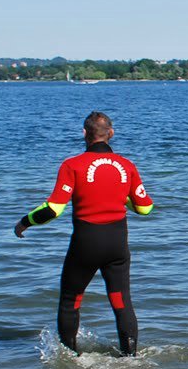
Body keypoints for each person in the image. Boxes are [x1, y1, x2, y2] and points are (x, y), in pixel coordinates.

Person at [13, 111, 154, 356]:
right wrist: (120, 198)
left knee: (71, 301)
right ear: (111, 133)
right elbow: (144, 207)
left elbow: (53, 209)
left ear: (84, 134)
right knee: (121, 303)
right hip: (117, 245)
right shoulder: (126, 165)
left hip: (85, 244)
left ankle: (71, 358)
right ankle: (131, 359)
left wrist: (24, 223)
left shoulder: (72, 165)